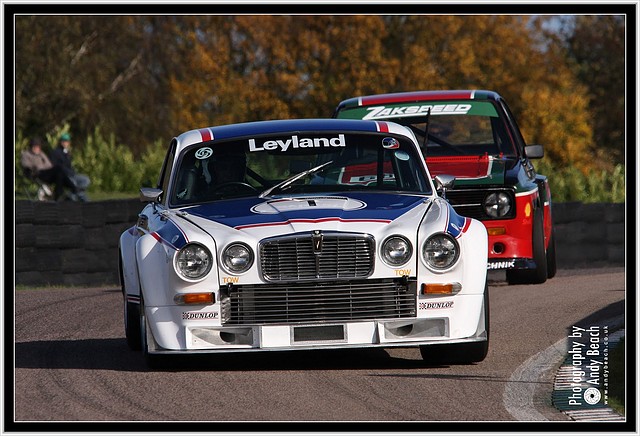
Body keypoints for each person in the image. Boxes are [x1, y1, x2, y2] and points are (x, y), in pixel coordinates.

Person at [49, 133, 90, 201]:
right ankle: (84, 201)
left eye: (67, 141)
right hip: (64, 177)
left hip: (72, 174)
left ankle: (71, 195)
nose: (65, 143)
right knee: (74, 184)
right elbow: (56, 167)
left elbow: (69, 166)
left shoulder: (67, 153)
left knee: (86, 180)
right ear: (60, 142)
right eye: (64, 141)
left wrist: (72, 171)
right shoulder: (55, 152)